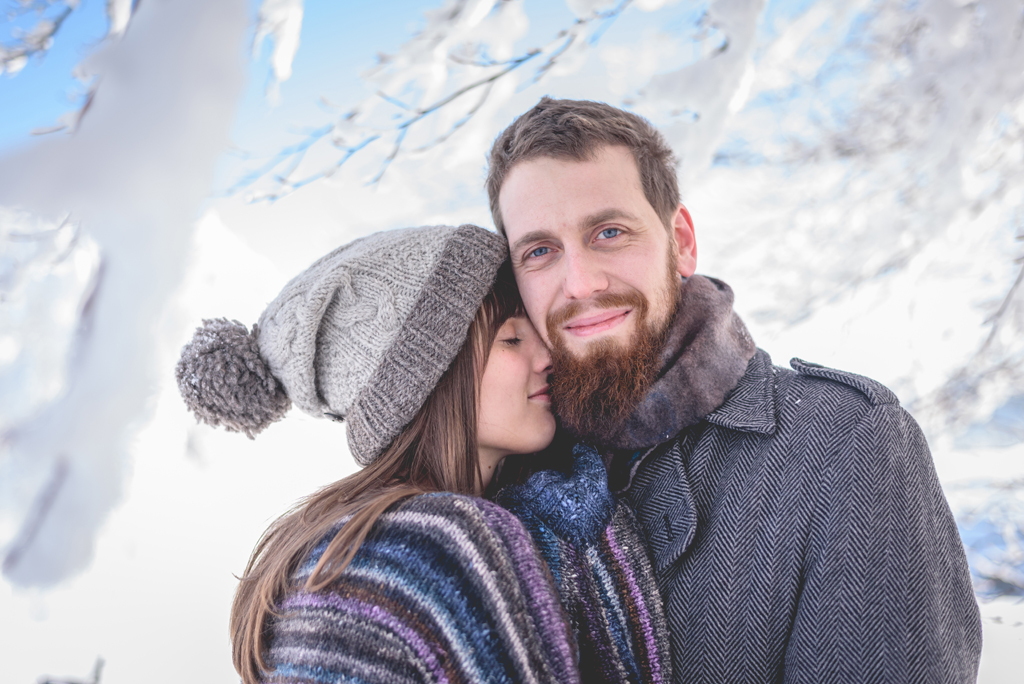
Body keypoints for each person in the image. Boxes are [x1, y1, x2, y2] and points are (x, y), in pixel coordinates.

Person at [486, 98, 983, 683]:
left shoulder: (843, 444)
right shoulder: (506, 462)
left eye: (610, 232)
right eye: (540, 251)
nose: (580, 282)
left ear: (681, 242)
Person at [174, 224, 671, 684]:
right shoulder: (427, 551)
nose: (546, 356)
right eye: (511, 338)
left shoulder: (347, 549)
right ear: (428, 384)